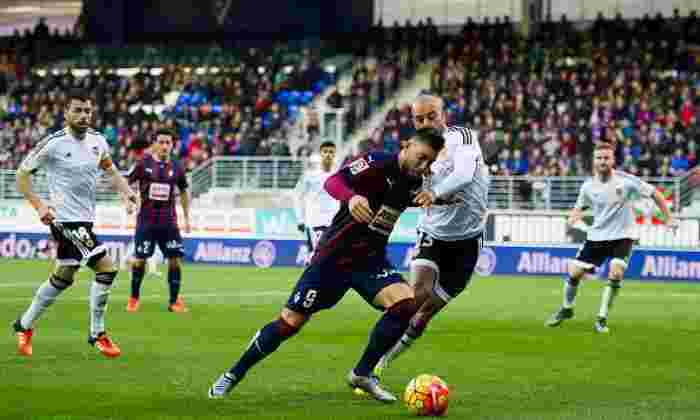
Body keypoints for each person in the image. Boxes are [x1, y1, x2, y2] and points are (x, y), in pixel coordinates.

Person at [207, 128, 445, 402]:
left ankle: (362, 374)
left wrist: (437, 197)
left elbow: (430, 196)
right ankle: (233, 374)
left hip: (370, 260)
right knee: (289, 323)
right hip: (333, 259)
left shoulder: (418, 181)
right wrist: (351, 197)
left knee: (406, 303)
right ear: (406, 146)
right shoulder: (376, 162)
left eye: (430, 162)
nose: (424, 166)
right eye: (422, 157)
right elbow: (334, 181)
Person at [372, 93, 490, 379]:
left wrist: (435, 192)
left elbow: (463, 174)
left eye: (431, 116)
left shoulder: (461, 137)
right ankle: (374, 364)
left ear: (443, 114)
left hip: (468, 240)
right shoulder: (417, 153)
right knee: (416, 296)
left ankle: (388, 358)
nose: (426, 123)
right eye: (419, 119)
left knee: (425, 313)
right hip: (433, 234)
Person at [12, 89, 137, 358]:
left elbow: (111, 170)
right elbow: (22, 175)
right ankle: (97, 333)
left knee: (64, 277)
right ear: (66, 113)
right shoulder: (53, 143)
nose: (83, 116)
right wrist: (39, 205)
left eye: (87, 111)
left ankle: (24, 325)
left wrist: (126, 193)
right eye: (78, 110)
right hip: (63, 219)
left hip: (85, 219)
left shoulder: (98, 141)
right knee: (106, 267)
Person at [546, 142, 675, 333]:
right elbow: (580, 206)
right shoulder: (588, 186)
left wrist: (668, 218)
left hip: (623, 236)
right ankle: (566, 308)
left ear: (613, 160)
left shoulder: (626, 181)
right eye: (599, 158)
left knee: (616, 273)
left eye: (606, 158)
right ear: (594, 161)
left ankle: (601, 318)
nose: (602, 161)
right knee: (574, 273)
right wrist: (574, 217)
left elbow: (655, 194)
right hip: (597, 236)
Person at [126, 129, 191, 313]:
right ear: (154, 144)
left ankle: (174, 301)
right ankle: (134, 298)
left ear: (172, 145)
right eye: (161, 142)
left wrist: (187, 218)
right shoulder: (142, 164)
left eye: (168, 143)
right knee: (139, 260)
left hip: (169, 222)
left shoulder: (177, 167)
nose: (164, 146)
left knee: (175, 260)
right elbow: (127, 183)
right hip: (146, 221)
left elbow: (184, 191)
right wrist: (128, 202)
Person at [294, 141, 339, 264]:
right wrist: (300, 219)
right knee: (316, 257)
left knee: (332, 258)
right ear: (320, 154)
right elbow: (297, 196)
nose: (328, 155)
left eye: (331, 152)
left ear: (334, 155)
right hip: (315, 222)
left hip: (333, 222)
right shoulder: (309, 175)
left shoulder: (339, 175)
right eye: (325, 152)